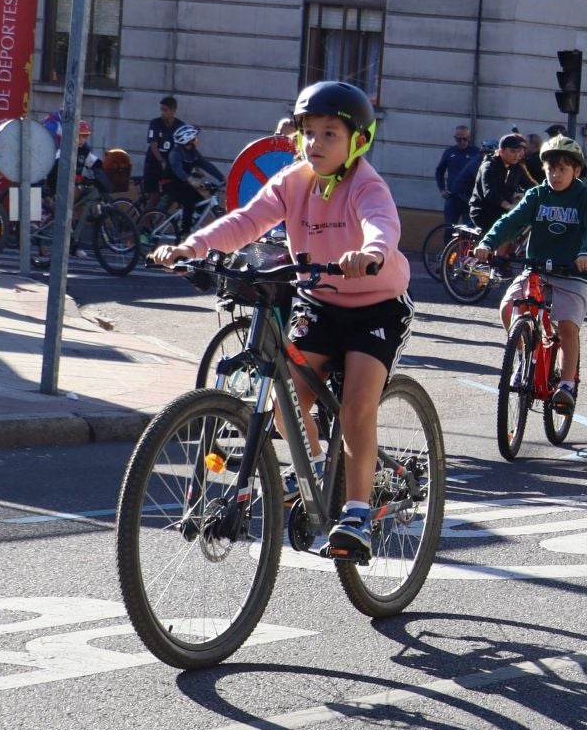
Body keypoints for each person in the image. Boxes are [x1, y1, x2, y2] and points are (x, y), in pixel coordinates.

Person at [152, 80, 410, 562]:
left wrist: (371, 252)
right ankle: (311, 468)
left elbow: (383, 224)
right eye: (308, 133)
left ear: (358, 140)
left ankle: (355, 514)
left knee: (356, 404)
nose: (316, 143)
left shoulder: (365, 184)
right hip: (320, 302)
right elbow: (245, 221)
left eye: (330, 133)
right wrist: (194, 246)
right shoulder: (293, 180)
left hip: (376, 306)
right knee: (286, 390)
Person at [474, 135, 587, 414]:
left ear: (577, 171)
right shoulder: (537, 195)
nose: (555, 175)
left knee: (567, 325)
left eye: (563, 169)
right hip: (537, 268)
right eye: (550, 169)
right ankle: (523, 356)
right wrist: (488, 243)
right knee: (509, 308)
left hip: (572, 273)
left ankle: (566, 384)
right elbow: (511, 221)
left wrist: (586, 253)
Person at [468, 132, 535, 234]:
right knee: (506, 231)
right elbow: (490, 193)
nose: (517, 155)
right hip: (483, 211)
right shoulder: (489, 166)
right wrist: (508, 206)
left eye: (518, 151)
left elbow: (530, 185)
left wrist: (544, 194)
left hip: (503, 210)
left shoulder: (517, 168)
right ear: (501, 152)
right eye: (512, 151)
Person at [164, 125, 224, 233]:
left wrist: (223, 178)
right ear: (188, 140)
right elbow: (178, 169)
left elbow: (206, 165)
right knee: (189, 203)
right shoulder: (175, 153)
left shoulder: (193, 152)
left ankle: (184, 221)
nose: (197, 140)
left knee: (203, 204)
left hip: (184, 184)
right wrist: (191, 180)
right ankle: (184, 233)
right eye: (195, 138)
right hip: (171, 184)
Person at [433, 125, 481, 226]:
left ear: (469, 138)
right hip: (453, 197)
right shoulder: (449, 152)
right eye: (459, 139)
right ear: (455, 138)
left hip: (470, 198)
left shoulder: (476, 153)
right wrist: (442, 189)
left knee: (469, 230)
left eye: (465, 139)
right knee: (449, 228)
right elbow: (439, 171)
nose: (462, 141)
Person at [142, 96, 180, 211]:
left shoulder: (179, 126)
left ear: (173, 111)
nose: (163, 113)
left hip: (169, 167)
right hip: (153, 165)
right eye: (161, 110)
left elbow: (185, 148)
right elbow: (154, 146)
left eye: (165, 110)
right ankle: (142, 226)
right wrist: (161, 160)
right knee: (155, 197)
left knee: (172, 194)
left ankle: (158, 219)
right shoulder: (155, 123)